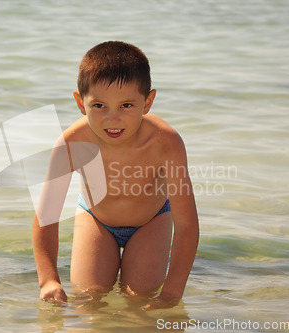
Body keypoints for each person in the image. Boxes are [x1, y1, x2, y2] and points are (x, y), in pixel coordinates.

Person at [32, 41, 199, 310]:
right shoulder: (71, 144)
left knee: (141, 297)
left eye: (126, 105)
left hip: (151, 221)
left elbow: (186, 225)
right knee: (89, 298)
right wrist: (48, 280)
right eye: (99, 105)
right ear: (79, 102)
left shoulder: (165, 142)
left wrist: (172, 292)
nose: (113, 119)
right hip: (96, 219)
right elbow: (46, 216)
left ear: (148, 102)